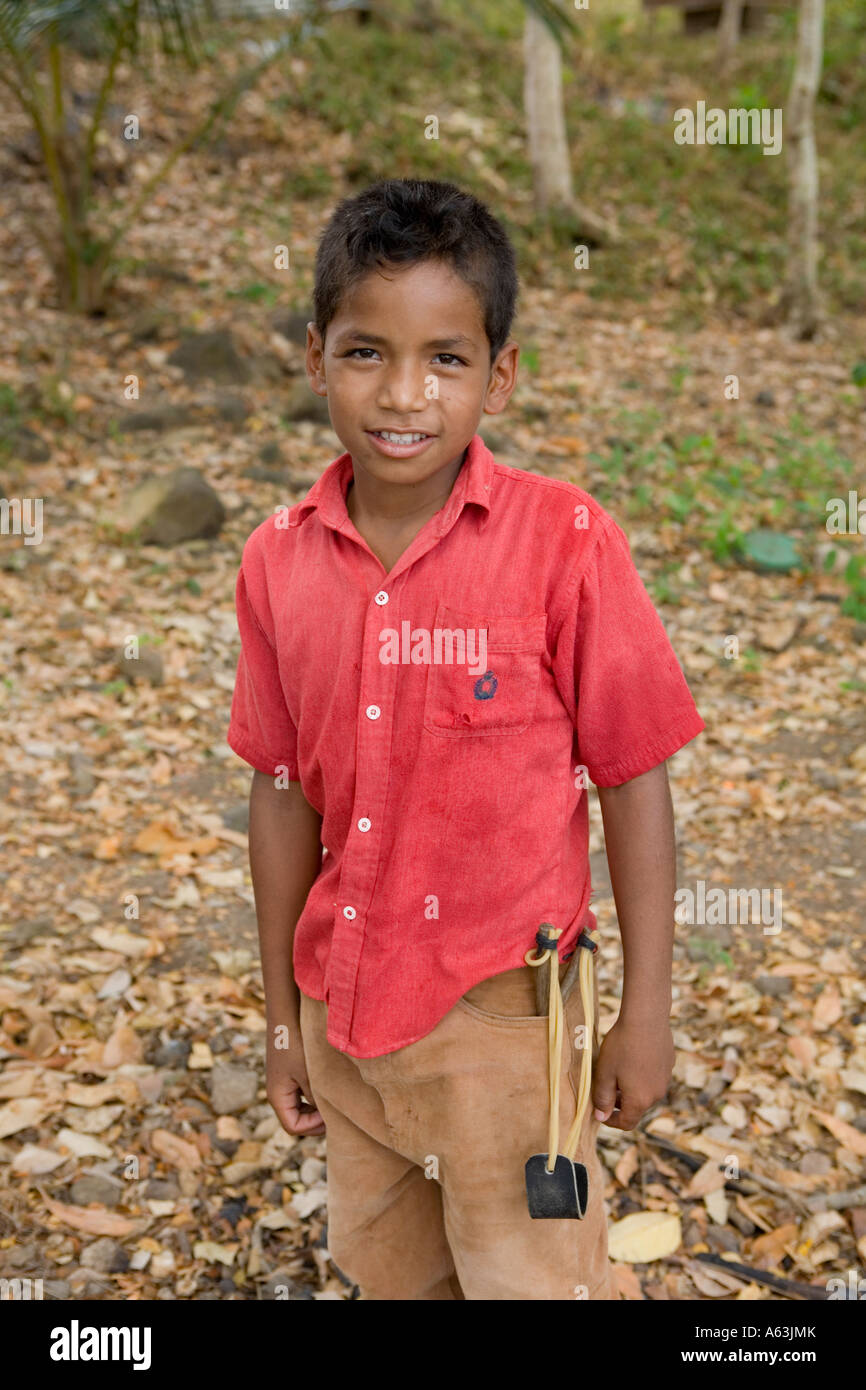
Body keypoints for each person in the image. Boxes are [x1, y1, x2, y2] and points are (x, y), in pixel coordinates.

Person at [226, 178, 705, 1300]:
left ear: (499, 375)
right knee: (393, 1270)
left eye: (444, 358)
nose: (403, 393)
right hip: (342, 1011)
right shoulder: (276, 558)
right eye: (364, 352)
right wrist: (281, 1023)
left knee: (531, 1279)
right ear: (312, 356)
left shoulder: (563, 543)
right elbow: (281, 789)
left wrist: (644, 1011)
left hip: (506, 1022)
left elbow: (633, 779)